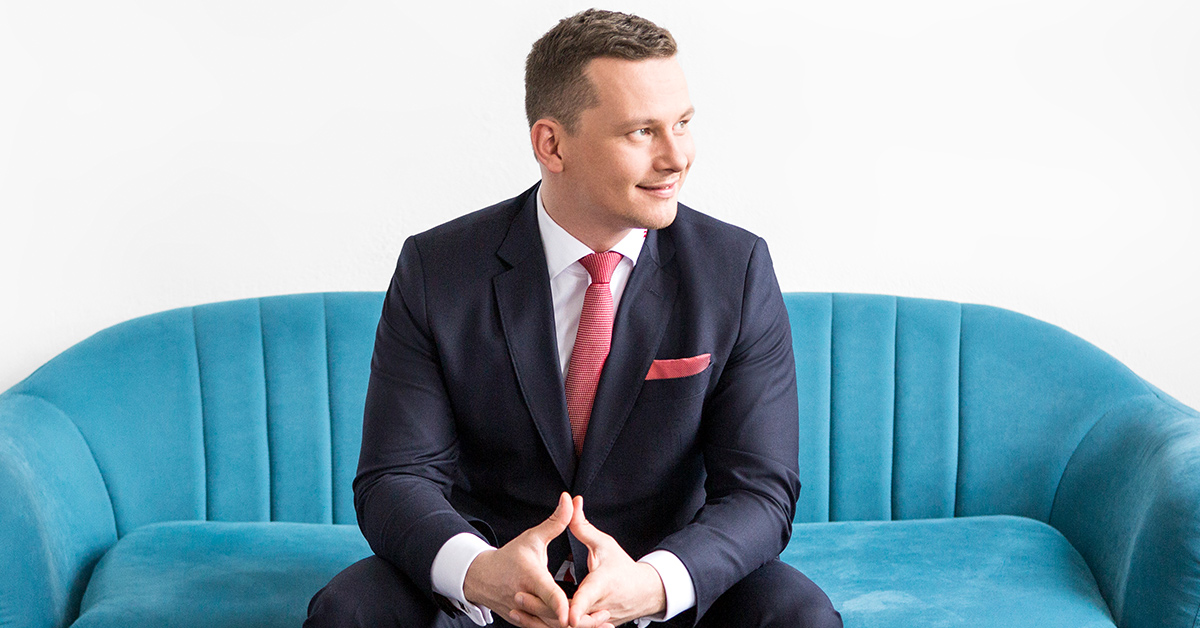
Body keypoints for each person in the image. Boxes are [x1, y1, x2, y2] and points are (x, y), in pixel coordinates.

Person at [306, 9, 842, 628]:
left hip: (660, 587)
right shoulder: (437, 269)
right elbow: (395, 477)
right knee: (350, 610)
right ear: (551, 144)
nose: (677, 157)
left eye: (683, 123)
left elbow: (760, 491)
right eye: (641, 132)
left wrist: (653, 584)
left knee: (797, 614)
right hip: (488, 593)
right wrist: (480, 572)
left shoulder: (736, 269)